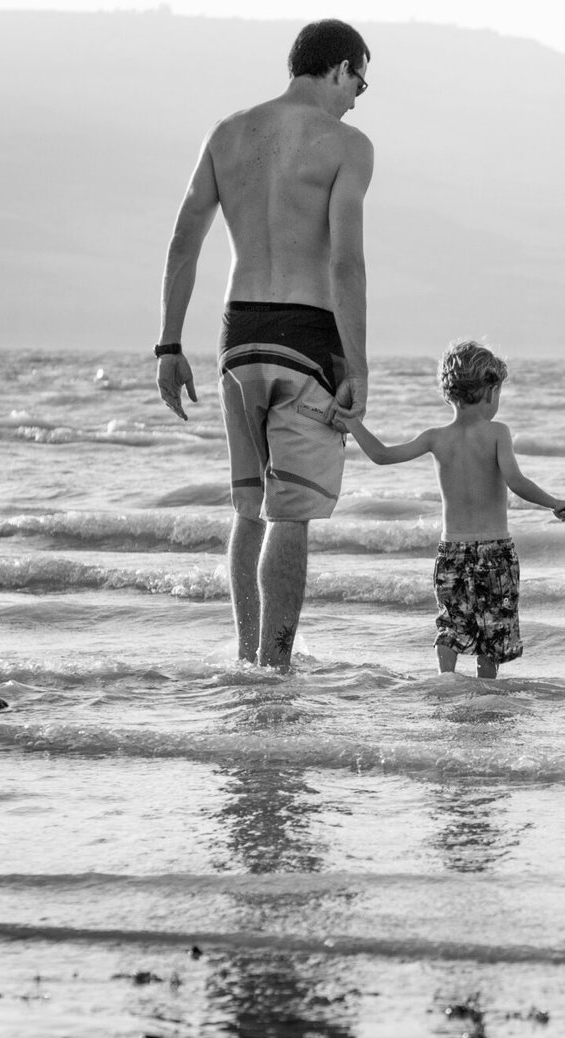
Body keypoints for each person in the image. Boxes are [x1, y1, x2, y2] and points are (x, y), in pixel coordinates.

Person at [154, 19, 374, 670]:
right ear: (339, 68)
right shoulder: (346, 144)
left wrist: (168, 344)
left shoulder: (228, 133)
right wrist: (357, 364)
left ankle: (247, 660)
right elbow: (346, 264)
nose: (359, 96)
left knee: (250, 508)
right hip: (306, 337)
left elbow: (183, 240)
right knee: (290, 514)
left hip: (237, 336)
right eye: (360, 80)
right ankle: (275, 670)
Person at [334, 341, 565, 679]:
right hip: (495, 551)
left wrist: (352, 423)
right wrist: (554, 503)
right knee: (493, 628)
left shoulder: (436, 438)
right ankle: (485, 689)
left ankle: (445, 679)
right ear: (490, 392)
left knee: (452, 621)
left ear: (451, 392)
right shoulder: (497, 433)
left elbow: (383, 455)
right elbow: (516, 481)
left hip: (451, 551)